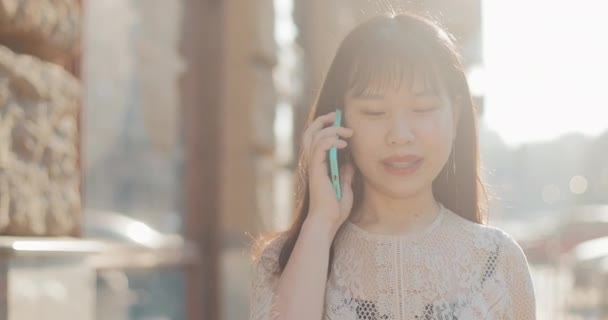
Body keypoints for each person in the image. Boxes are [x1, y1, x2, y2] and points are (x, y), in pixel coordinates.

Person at [249, 12, 536, 320]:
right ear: (337, 122)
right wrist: (320, 222)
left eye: (423, 109)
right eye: (374, 112)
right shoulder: (282, 263)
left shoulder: (498, 261)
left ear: (455, 116)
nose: (400, 136)